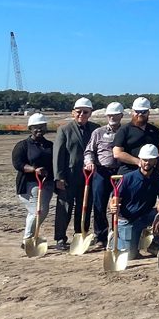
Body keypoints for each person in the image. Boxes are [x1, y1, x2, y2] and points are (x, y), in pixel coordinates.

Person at [53, 97, 98, 251]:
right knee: (64, 208)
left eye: (85, 112)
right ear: (73, 112)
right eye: (79, 112)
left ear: (90, 113)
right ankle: (60, 238)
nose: (82, 115)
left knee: (84, 207)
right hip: (68, 177)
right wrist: (58, 177)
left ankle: (81, 234)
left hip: (89, 177)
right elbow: (58, 155)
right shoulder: (64, 130)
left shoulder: (95, 129)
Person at [109, 144, 159, 259]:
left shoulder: (158, 180)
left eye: (150, 160)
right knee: (130, 256)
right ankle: (115, 239)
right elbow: (115, 199)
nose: (147, 163)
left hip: (146, 216)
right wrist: (113, 206)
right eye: (144, 160)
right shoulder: (127, 178)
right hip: (127, 219)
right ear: (140, 160)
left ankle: (155, 245)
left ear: (155, 161)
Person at [84, 102, 124, 248]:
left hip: (119, 173)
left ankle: (116, 234)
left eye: (115, 115)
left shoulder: (125, 131)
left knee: (117, 204)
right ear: (107, 116)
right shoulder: (98, 132)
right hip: (101, 171)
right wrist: (89, 162)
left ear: (121, 115)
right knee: (99, 204)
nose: (112, 117)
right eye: (110, 115)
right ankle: (101, 236)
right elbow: (89, 151)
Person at [12, 113, 54, 246]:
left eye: (42, 126)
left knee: (43, 210)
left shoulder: (50, 145)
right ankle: (28, 239)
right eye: (36, 127)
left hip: (47, 183)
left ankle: (32, 236)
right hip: (29, 183)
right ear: (30, 128)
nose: (39, 129)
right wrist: (34, 169)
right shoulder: (23, 145)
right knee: (37, 210)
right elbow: (18, 163)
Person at [112, 97, 159, 174]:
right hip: (128, 172)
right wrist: (139, 162)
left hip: (150, 172)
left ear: (148, 112)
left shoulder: (154, 130)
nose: (140, 114)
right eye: (137, 111)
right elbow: (117, 153)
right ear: (132, 112)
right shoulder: (124, 130)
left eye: (143, 111)